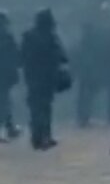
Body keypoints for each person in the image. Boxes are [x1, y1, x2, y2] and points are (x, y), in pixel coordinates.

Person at [21, 9, 70, 151]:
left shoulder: (28, 36)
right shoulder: (51, 37)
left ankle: (38, 137)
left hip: (33, 77)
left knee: (36, 107)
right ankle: (44, 136)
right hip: (47, 77)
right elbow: (63, 56)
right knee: (45, 107)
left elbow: (22, 57)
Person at [0, 12, 21, 142]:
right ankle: (9, 128)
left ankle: (9, 128)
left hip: (4, 75)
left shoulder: (8, 38)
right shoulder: (8, 38)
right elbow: (17, 57)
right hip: (4, 75)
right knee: (5, 102)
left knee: (5, 102)